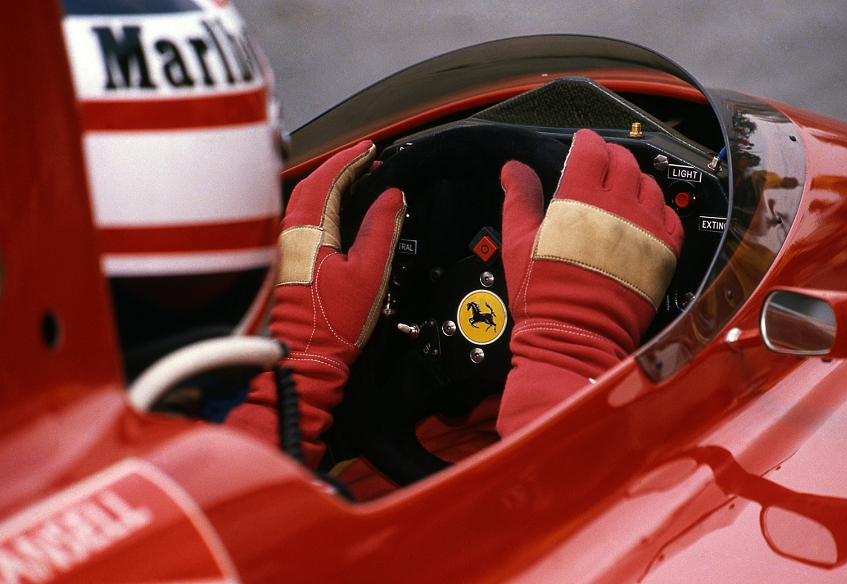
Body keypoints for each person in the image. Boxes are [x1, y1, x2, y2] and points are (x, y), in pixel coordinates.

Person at [225, 128, 684, 476]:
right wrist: (571, 351)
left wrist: (294, 377)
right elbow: (582, 551)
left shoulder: (173, 467)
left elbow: (214, 521)